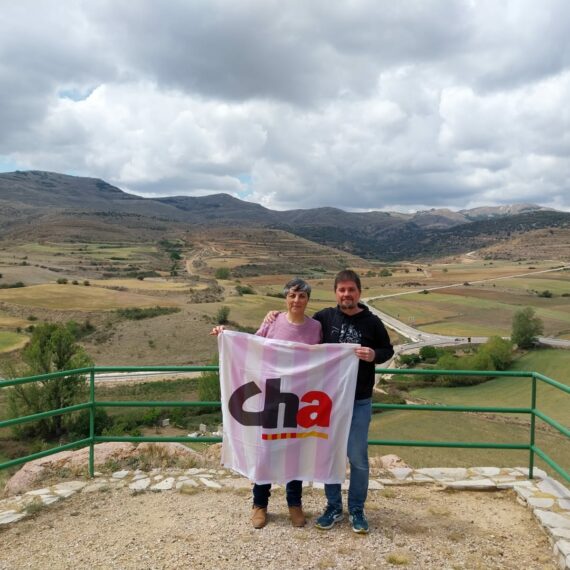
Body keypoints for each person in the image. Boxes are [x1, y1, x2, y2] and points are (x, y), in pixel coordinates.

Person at [264, 269, 393, 534]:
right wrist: (274, 315)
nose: (346, 294)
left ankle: (356, 509)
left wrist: (373, 355)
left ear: (359, 292)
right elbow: (298, 325)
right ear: (335, 293)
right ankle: (333, 507)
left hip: (358, 401)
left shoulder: (372, 322)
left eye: (351, 290)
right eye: (342, 290)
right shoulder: (324, 318)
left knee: (357, 458)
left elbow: (387, 350)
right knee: (330, 455)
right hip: (329, 401)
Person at [210, 277, 322, 530]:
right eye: (292, 295)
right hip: (270, 396)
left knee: (294, 450)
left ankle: (295, 504)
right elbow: (251, 347)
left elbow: (321, 358)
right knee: (265, 451)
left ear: (308, 299)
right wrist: (225, 335)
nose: (296, 300)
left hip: (299, 400)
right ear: (285, 298)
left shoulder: (315, 327)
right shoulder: (272, 320)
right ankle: (259, 505)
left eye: (302, 296)